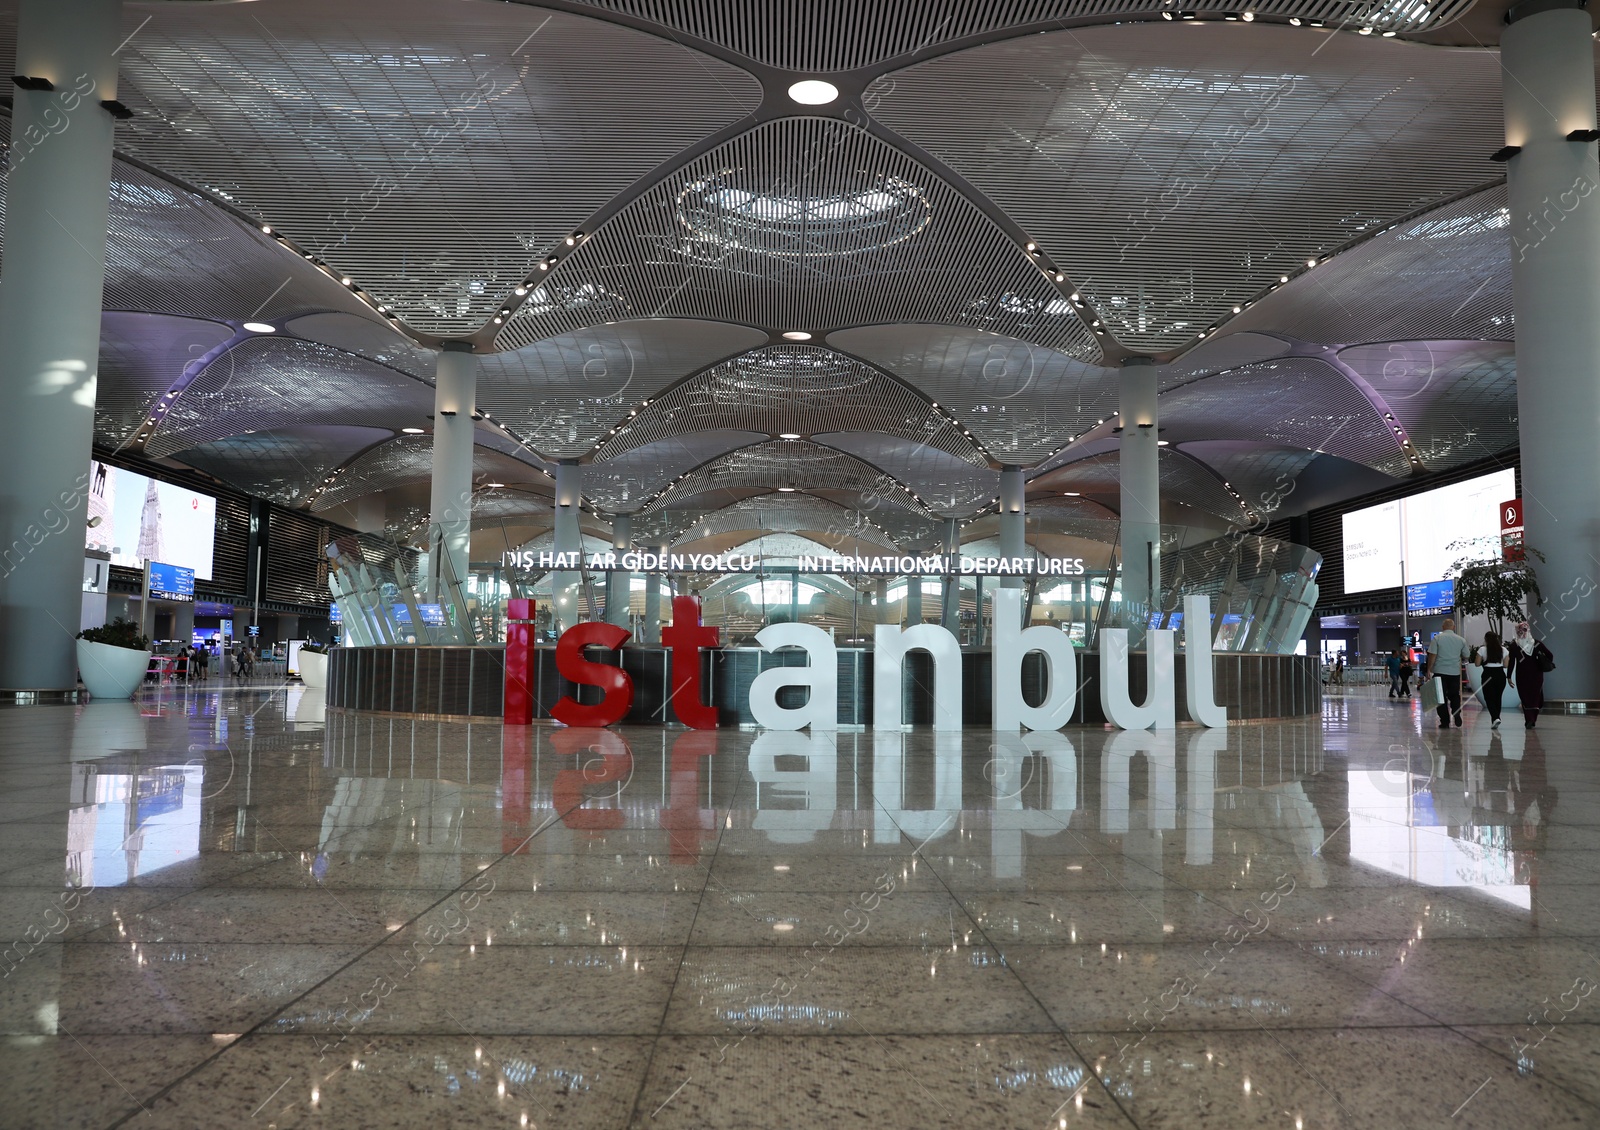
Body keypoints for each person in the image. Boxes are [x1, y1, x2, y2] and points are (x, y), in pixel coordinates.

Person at [1425, 618, 1470, 728]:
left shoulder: (1437, 638)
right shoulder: (1461, 640)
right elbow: (1467, 655)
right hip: (1454, 672)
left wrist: (1428, 669)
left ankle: (1445, 721)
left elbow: (1432, 655)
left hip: (1439, 671)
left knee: (1440, 698)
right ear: (1453, 627)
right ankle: (1457, 713)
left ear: (1442, 627)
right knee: (1454, 695)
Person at [1509, 620, 1548, 729]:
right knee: (1535, 697)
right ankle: (1532, 719)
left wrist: (1508, 676)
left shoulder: (1514, 645)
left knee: (1525, 697)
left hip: (1522, 676)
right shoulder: (1537, 643)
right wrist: (1542, 662)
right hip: (1537, 675)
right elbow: (1550, 655)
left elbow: (1512, 662)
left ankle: (1529, 719)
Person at [1474, 630, 1508, 729]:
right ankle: (1496, 718)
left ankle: (1495, 717)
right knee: (1498, 697)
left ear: (1486, 639)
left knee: (1489, 697)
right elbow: (1506, 665)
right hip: (1500, 674)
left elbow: (1477, 663)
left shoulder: (1482, 649)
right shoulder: (1503, 650)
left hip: (1488, 674)